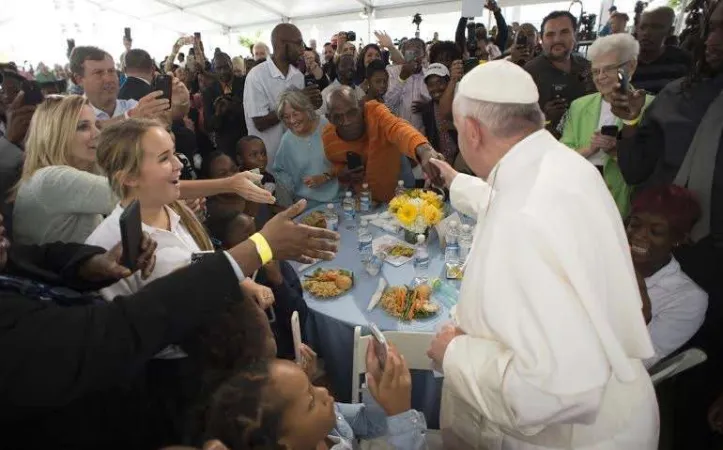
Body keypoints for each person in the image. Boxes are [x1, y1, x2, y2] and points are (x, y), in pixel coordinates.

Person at [426, 61, 657, 449]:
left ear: (472, 131)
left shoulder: (523, 218)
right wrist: (455, 180)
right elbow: (505, 201)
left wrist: (454, 354)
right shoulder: (561, 165)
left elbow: (557, 390)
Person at [0, 197, 340, 449]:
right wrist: (255, 249)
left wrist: (89, 265)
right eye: (162, 157)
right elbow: (117, 329)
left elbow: (30, 258)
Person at [13, 96, 274, 246]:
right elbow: (145, 191)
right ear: (54, 133)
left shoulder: (87, 167)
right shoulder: (50, 179)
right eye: (83, 127)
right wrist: (229, 184)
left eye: (95, 124)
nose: (96, 135)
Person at [204, 346, 427, 449]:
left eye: (311, 384)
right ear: (283, 443)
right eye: (311, 402)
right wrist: (401, 416)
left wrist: (375, 383)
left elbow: (371, 424)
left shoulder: (327, 423)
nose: (324, 392)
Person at [559, 34, 654, 217]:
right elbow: (563, 154)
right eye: (595, 71)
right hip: (579, 195)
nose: (601, 77)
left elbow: (647, 168)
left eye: (609, 69)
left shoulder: (649, 106)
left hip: (621, 202)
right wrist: (590, 148)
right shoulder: (579, 105)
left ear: (631, 66)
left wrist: (617, 152)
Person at [206, 211, 309, 361]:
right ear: (225, 246)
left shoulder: (275, 264)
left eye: (257, 233)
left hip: (286, 353)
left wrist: (278, 281)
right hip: (248, 361)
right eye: (247, 237)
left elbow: (300, 313)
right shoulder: (220, 282)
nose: (257, 242)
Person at [626, 185, 708, 368]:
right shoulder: (606, 256)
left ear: (678, 238)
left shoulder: (688, 299)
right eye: (635, 224)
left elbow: (638, 362)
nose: (639, 235)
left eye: (656, 231)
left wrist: (641, 313)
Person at [323, 86, 443, 201]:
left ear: (360, 106)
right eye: (338, 117)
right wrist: (343, 174)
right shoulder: (328, 137)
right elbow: (337, 164)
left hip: (397, 189)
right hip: (365, 200)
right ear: (329, 118)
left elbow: (398, 127)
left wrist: (424, 150)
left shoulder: (375, 112)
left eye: (352, 113)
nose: (347, 121)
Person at [244, 24, 322, 167]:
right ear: (281, 44)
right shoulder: (257, 76)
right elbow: (260, 123)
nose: (302, 49)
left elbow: (299, 117)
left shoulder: (297, 76)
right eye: (298, 43)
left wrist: (311, 105)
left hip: (295, 157)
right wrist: (297, 100)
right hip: (268, 161)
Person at [524, 11, 595, 133]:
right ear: (542, 39)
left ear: (575, 35)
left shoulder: (588, 68)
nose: (557, 39)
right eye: (550, 34)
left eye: (564, 32)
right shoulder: (528, 73)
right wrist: (544, 118)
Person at [69, 46, 171, 125]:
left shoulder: (132, 106)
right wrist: (129, 117)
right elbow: (93, 131)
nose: (109, 79)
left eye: (111, 71)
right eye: (98, 73)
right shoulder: (71, 116)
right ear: (79, 79)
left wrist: (181, 104)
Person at [272, 88, 339, 206]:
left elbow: (346, 163)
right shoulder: (287, 140)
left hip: (338, 199)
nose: (292, 121)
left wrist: (325, 177)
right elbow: (281, 173)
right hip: (307, 206)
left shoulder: (328, 127)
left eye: (295, 114)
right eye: (286, 117)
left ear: (306, 110)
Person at [632, 7, 693, 94]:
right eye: (642, 27)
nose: (646, 33)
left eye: (656, 27)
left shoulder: (682, 60)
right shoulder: (623, 59)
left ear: (670, 31)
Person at [203, 52, 247, 155]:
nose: (223, 71)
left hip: (246, 140)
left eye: (226, 67)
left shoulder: (245, 83)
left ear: (231, 65)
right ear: (214, 69)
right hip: (226, 147)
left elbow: (251, 111)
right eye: (219, 68)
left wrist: (232, 106)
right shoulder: (209, 92)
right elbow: (208, 126)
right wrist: (218, 113)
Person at [416, 63, 458, 164]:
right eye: (430, 85)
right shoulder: (427, 110)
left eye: (440, 82)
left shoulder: (459, 103)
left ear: (448, 83)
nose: (435, 88)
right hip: (441, 163)